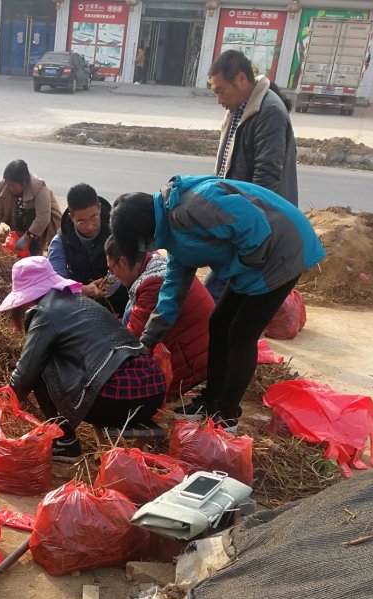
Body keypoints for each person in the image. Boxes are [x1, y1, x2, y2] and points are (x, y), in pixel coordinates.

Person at [110, 176, 325, 432]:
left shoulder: (194, 206)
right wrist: (148, 340)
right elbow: (172, 292)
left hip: (281, 250)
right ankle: (211, 401)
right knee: (219, 322)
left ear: (141, 230)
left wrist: (245, 267)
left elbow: (254, 226)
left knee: (241, 333)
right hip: (253, 261)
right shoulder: (172, 235)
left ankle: (227, 415)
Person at [0, 257, 167, 462]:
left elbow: (27, 371)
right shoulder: (80, 302)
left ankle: (65, 442)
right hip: (153, 395)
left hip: (118, 401)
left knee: (42, 366)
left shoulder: (44, 313)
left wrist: (8, 399)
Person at [105, 235, 213, 400]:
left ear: (123, 262)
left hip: (196, 362)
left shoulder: (151, 284)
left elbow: (133, 341)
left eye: (112, 269)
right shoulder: (154, 264)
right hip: (200, 348)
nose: (112, 275)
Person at [209, 50, 297, 204]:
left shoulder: (270, 112)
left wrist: (246, 217)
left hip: (262, 216)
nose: (219, 100)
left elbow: (265, 179)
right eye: (215, 93)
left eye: (221, 91)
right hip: (237, 207)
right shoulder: (237, 110)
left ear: (241, 79)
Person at [48, 183, 128, 316]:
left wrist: (115, 280)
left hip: (119, 305)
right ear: (71, 218)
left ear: (100, 209)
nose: (90, 226)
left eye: (94, 218)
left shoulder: (117, 231)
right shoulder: (60, 242)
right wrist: (81, 289)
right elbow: (56, 279)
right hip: (81, 305)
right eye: (81, 221)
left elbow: (131, 261)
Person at [0, 160, 61, 256]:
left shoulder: (39, 187)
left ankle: (35, 249)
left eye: (13, 185)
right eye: (8, 184)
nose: (10, 187)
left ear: (24, 182)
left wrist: (26, 237)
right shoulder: (4, 185)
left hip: (38, 223)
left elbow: (43, 218)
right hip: (16, 215)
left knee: (31, 214)